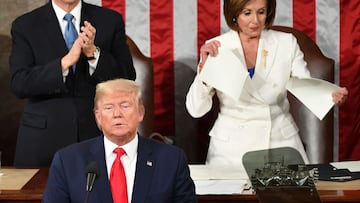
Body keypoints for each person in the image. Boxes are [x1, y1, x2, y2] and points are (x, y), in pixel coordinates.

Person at [186, 0, 348, 170]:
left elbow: (304, 86)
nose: (255, 20)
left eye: (261, 12)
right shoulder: (217, 47)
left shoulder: (286, 43)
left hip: (280, 145)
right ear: (234, 13)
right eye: (247, 13)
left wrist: (329, 96)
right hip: (230, 151)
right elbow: (196, 110)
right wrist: (204, 72)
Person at [9, 0, 136, 166]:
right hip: (43, 141)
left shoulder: (109, 20)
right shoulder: (25, 25)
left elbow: (126, 76)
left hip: (96, 135)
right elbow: (20, 83)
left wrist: (94, 54)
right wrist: (64, 64)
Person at [43, 79, 197, 203]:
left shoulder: (171, 160)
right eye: (109, 108)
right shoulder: (68, 161)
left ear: (140, 113)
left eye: (125, 105)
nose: (117, 114)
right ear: (98, 117)